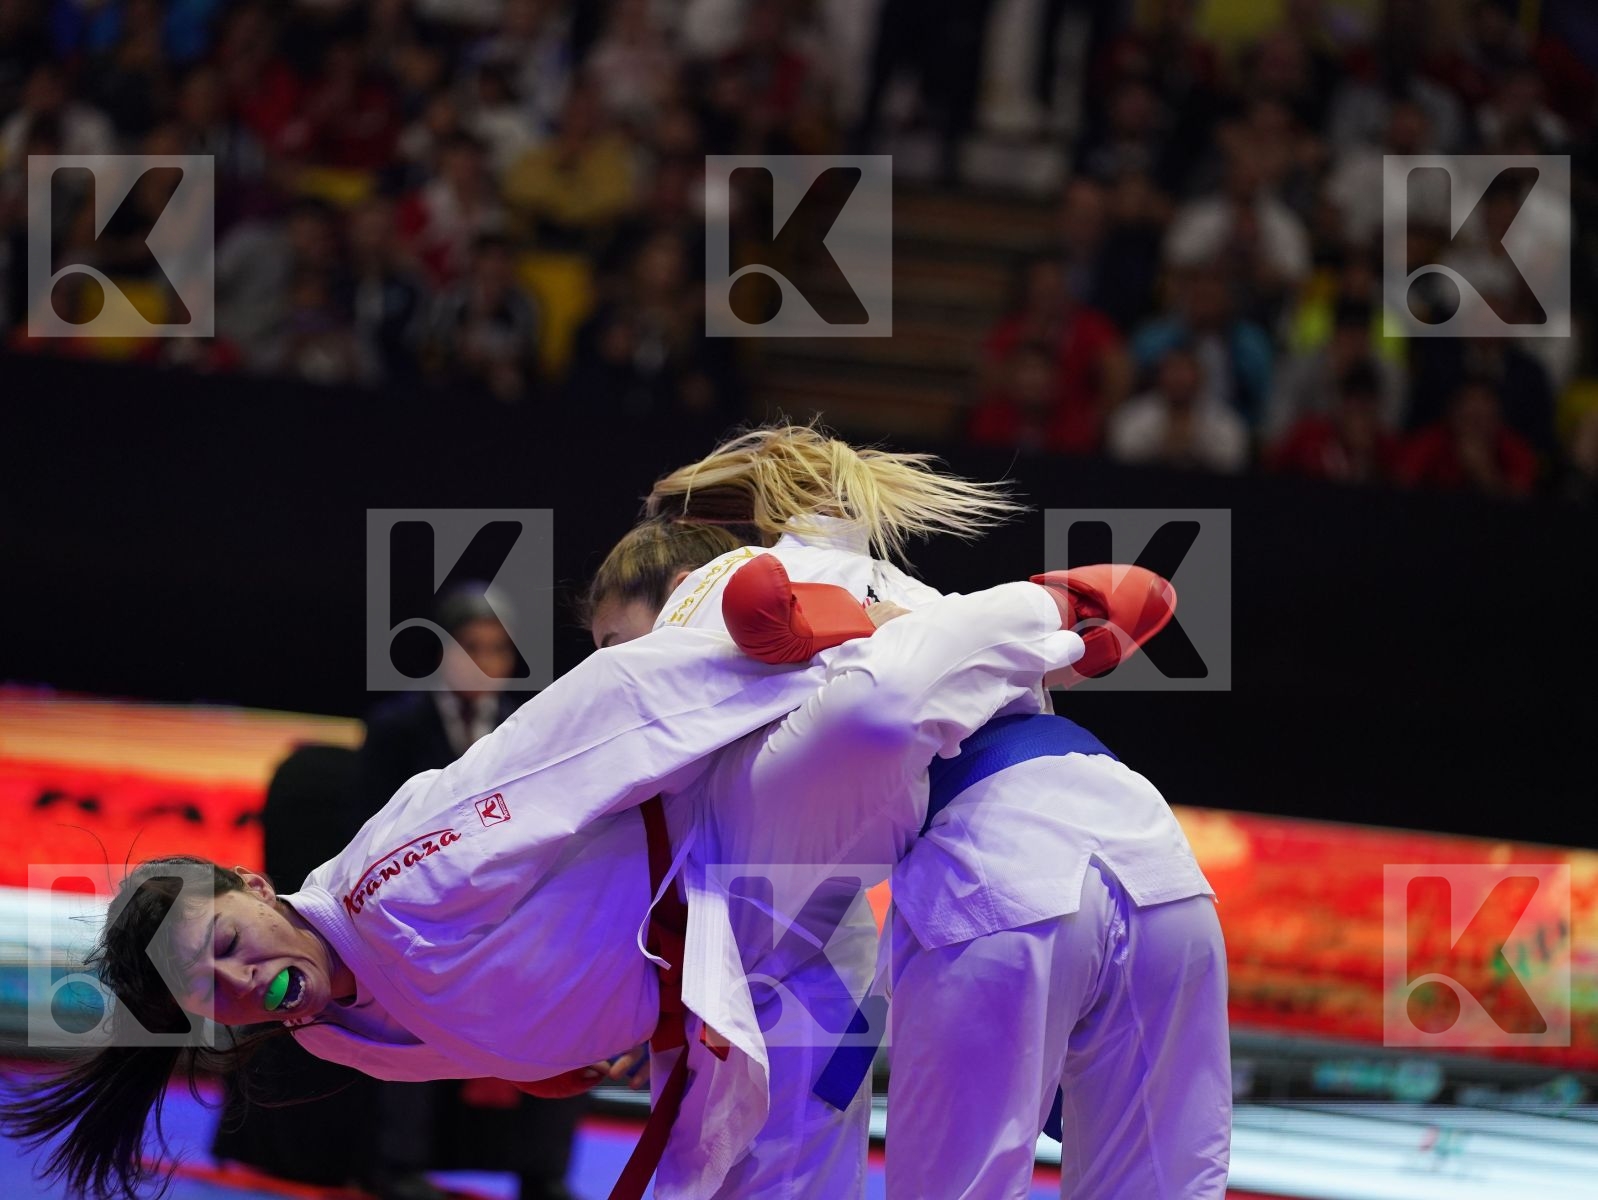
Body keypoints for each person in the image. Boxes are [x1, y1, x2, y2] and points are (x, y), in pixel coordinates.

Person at [3, 464, 1093, 1200]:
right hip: (732, 990)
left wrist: (728, 647)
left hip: (735, 879)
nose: (245, 985)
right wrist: (559, 1054)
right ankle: (845, 579)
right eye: (216, 996)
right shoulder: (325, 1029)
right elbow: (485, 1018)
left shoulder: (394, 880)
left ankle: (1018, 618)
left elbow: (565, 743)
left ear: (250, 884)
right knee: (798, 1168)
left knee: (865, 721)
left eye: (228, 945)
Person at [588, 424, 1229, 1199]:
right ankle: (1061, 607)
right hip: (1150, 849)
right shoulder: (895, 582)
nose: (610, 670)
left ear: (687, 576)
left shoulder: (716, 617)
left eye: (614, 643)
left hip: (996, 869)